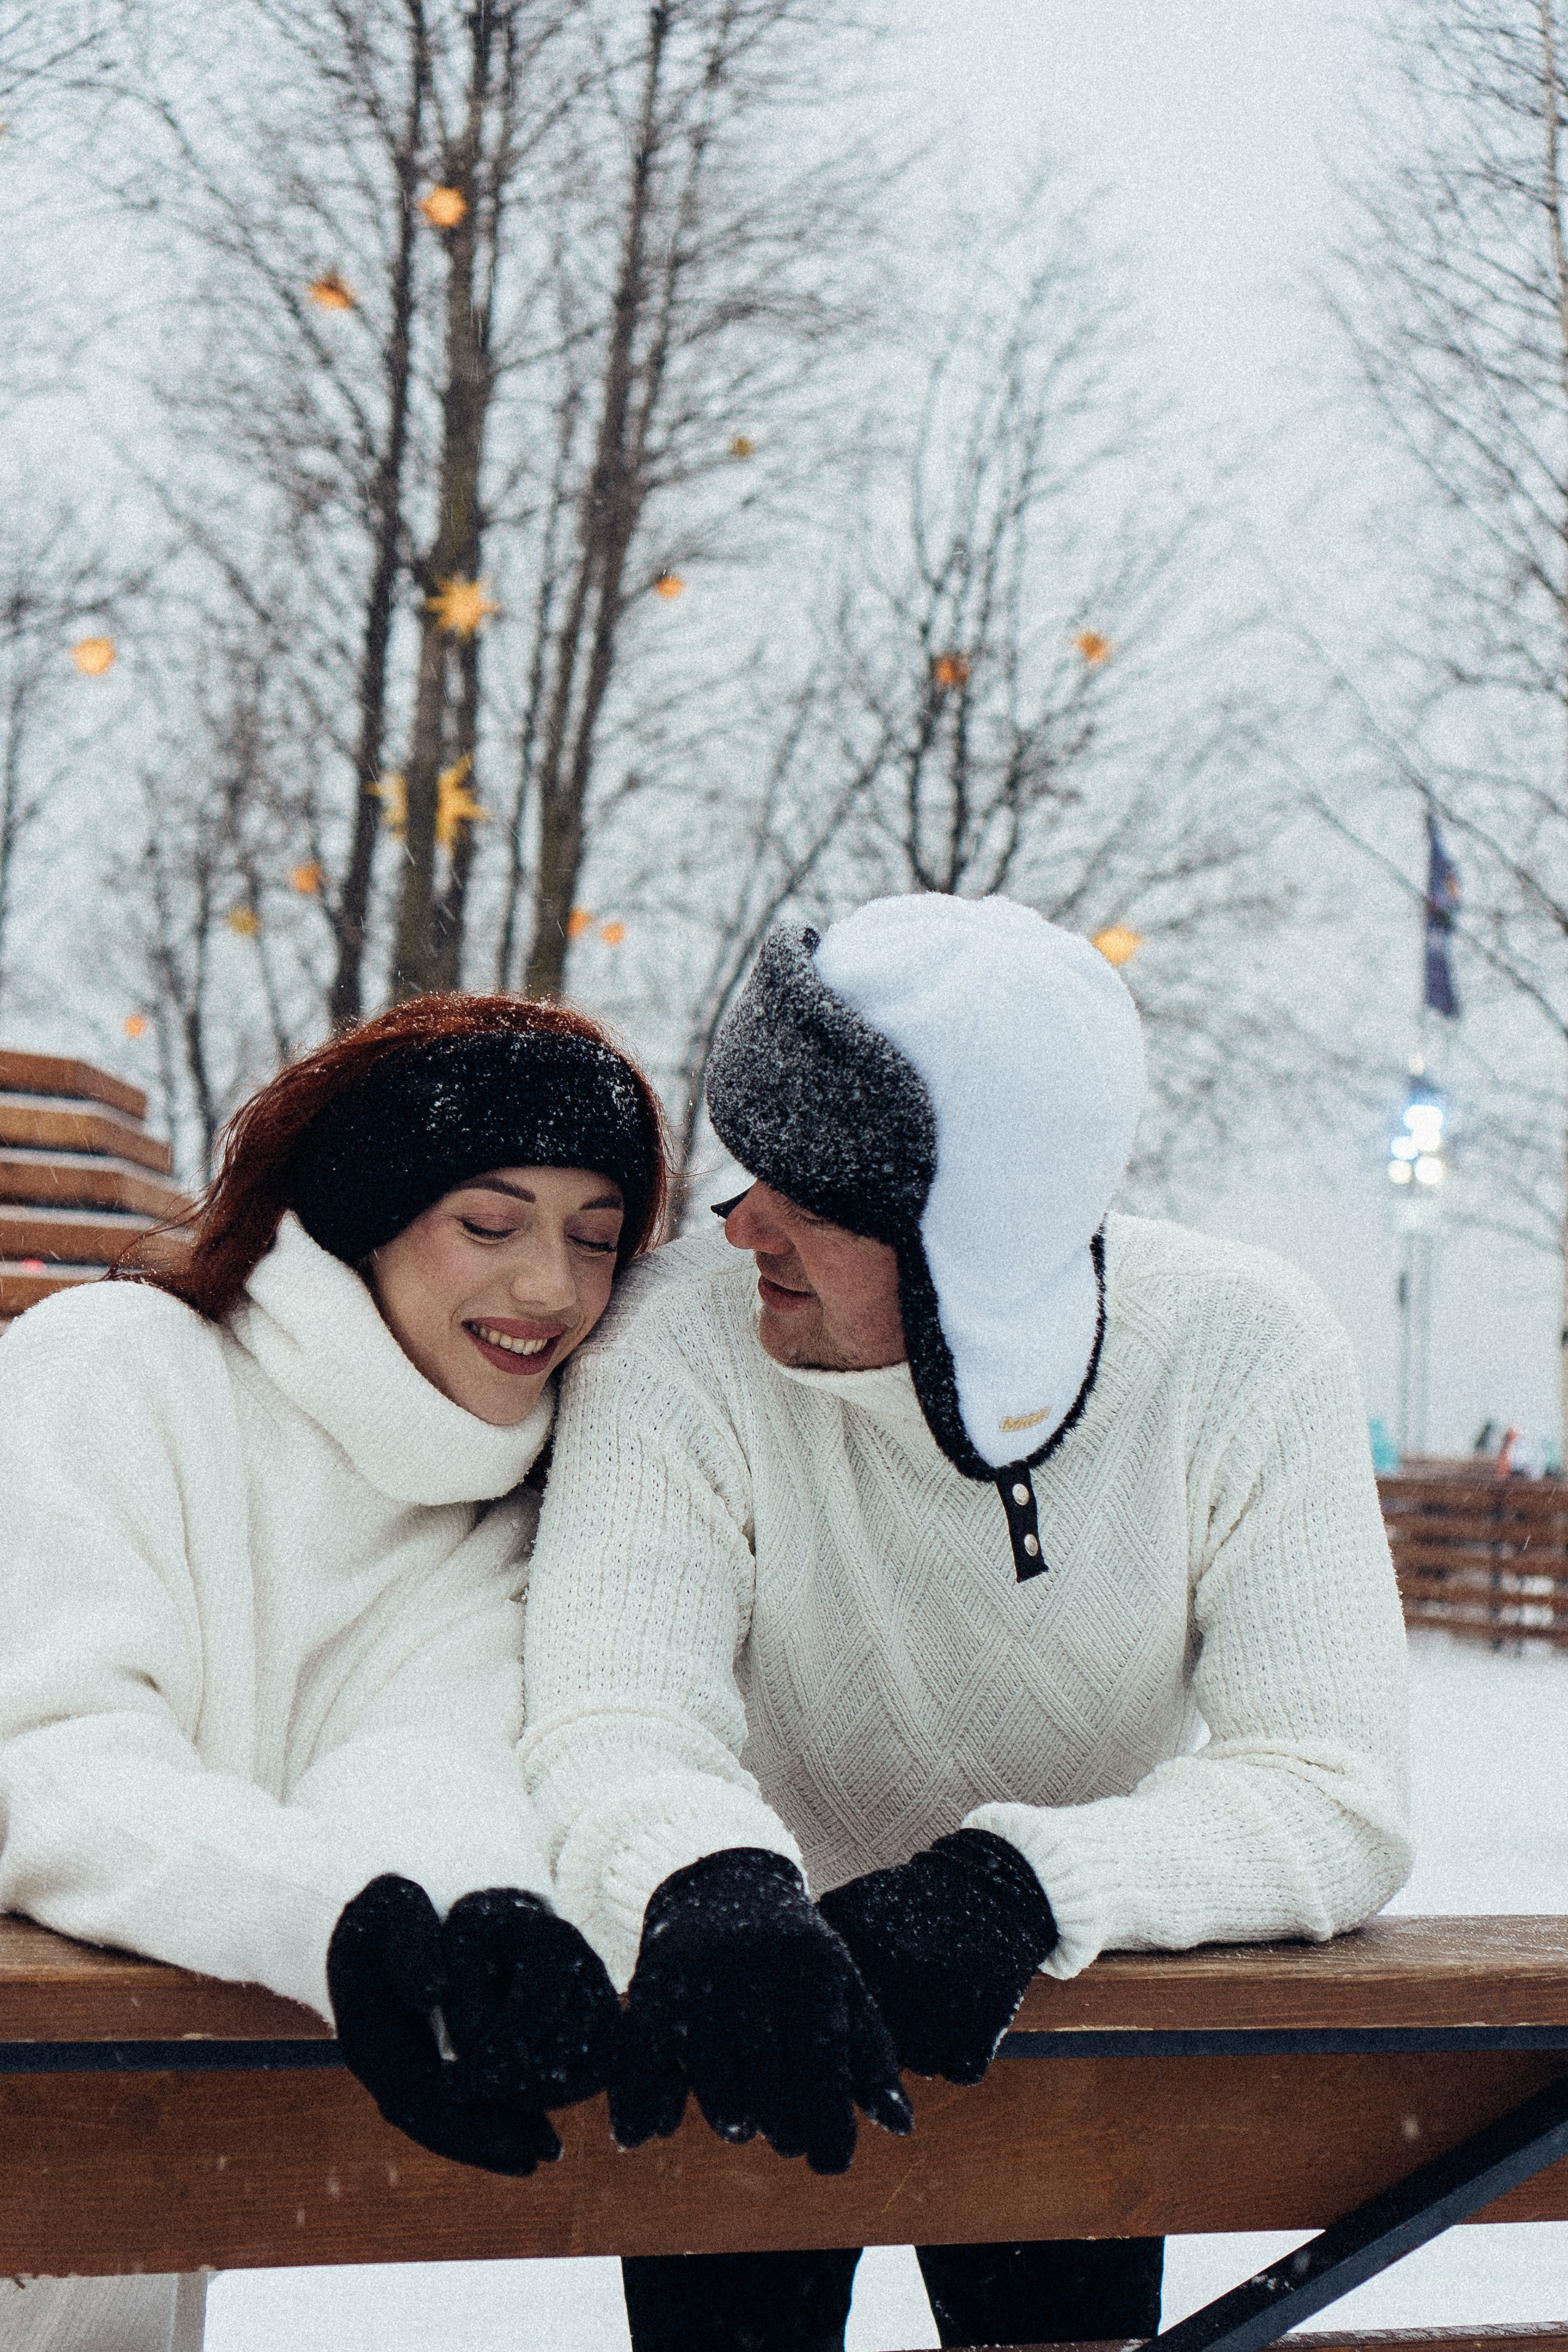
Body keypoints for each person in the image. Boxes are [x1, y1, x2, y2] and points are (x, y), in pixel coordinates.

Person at [519, 892, 1413, 2352]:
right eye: (751, 1164)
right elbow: (611, 1708)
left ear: (969, 1237)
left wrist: (1020, 1884)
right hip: (737, 1990)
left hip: (1054, 2014)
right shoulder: (674, 1343)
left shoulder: (1242, 1351)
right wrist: (703, 1875)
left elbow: (1330, 1786)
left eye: (809, 1189)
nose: (742, 1220)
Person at [0, 993, 667, 2352]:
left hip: (121, 2155)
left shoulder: (495, 1504)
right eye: (490, 1224)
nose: (548, 1288)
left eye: (595, 1241)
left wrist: (485, 1915)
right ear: (367, 1214)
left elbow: (420, 1752)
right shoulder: (112, 1368)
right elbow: (51, 1750)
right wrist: (332, 1919)